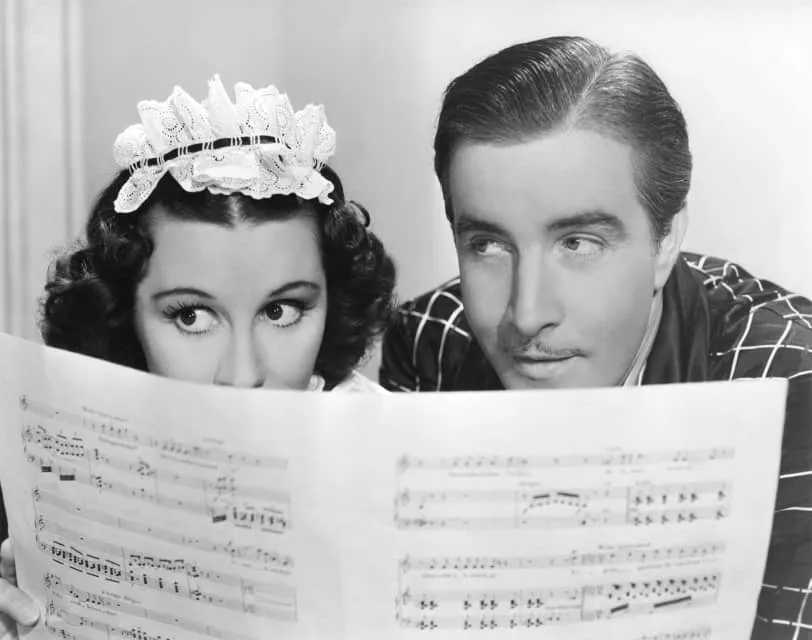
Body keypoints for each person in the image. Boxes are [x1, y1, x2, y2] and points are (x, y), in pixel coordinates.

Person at [380, 36, 812, 638]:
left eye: (578, 243)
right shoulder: (429, 341)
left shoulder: (792, 385)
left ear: (665, 241)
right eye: (488, 245)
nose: (526, 314)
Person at [0, 74, 396, 637]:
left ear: (334, 305)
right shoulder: (56, 483)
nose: (241, 376)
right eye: (191, 316)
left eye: (280, 311)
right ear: (125, 316)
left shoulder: (396, 476)